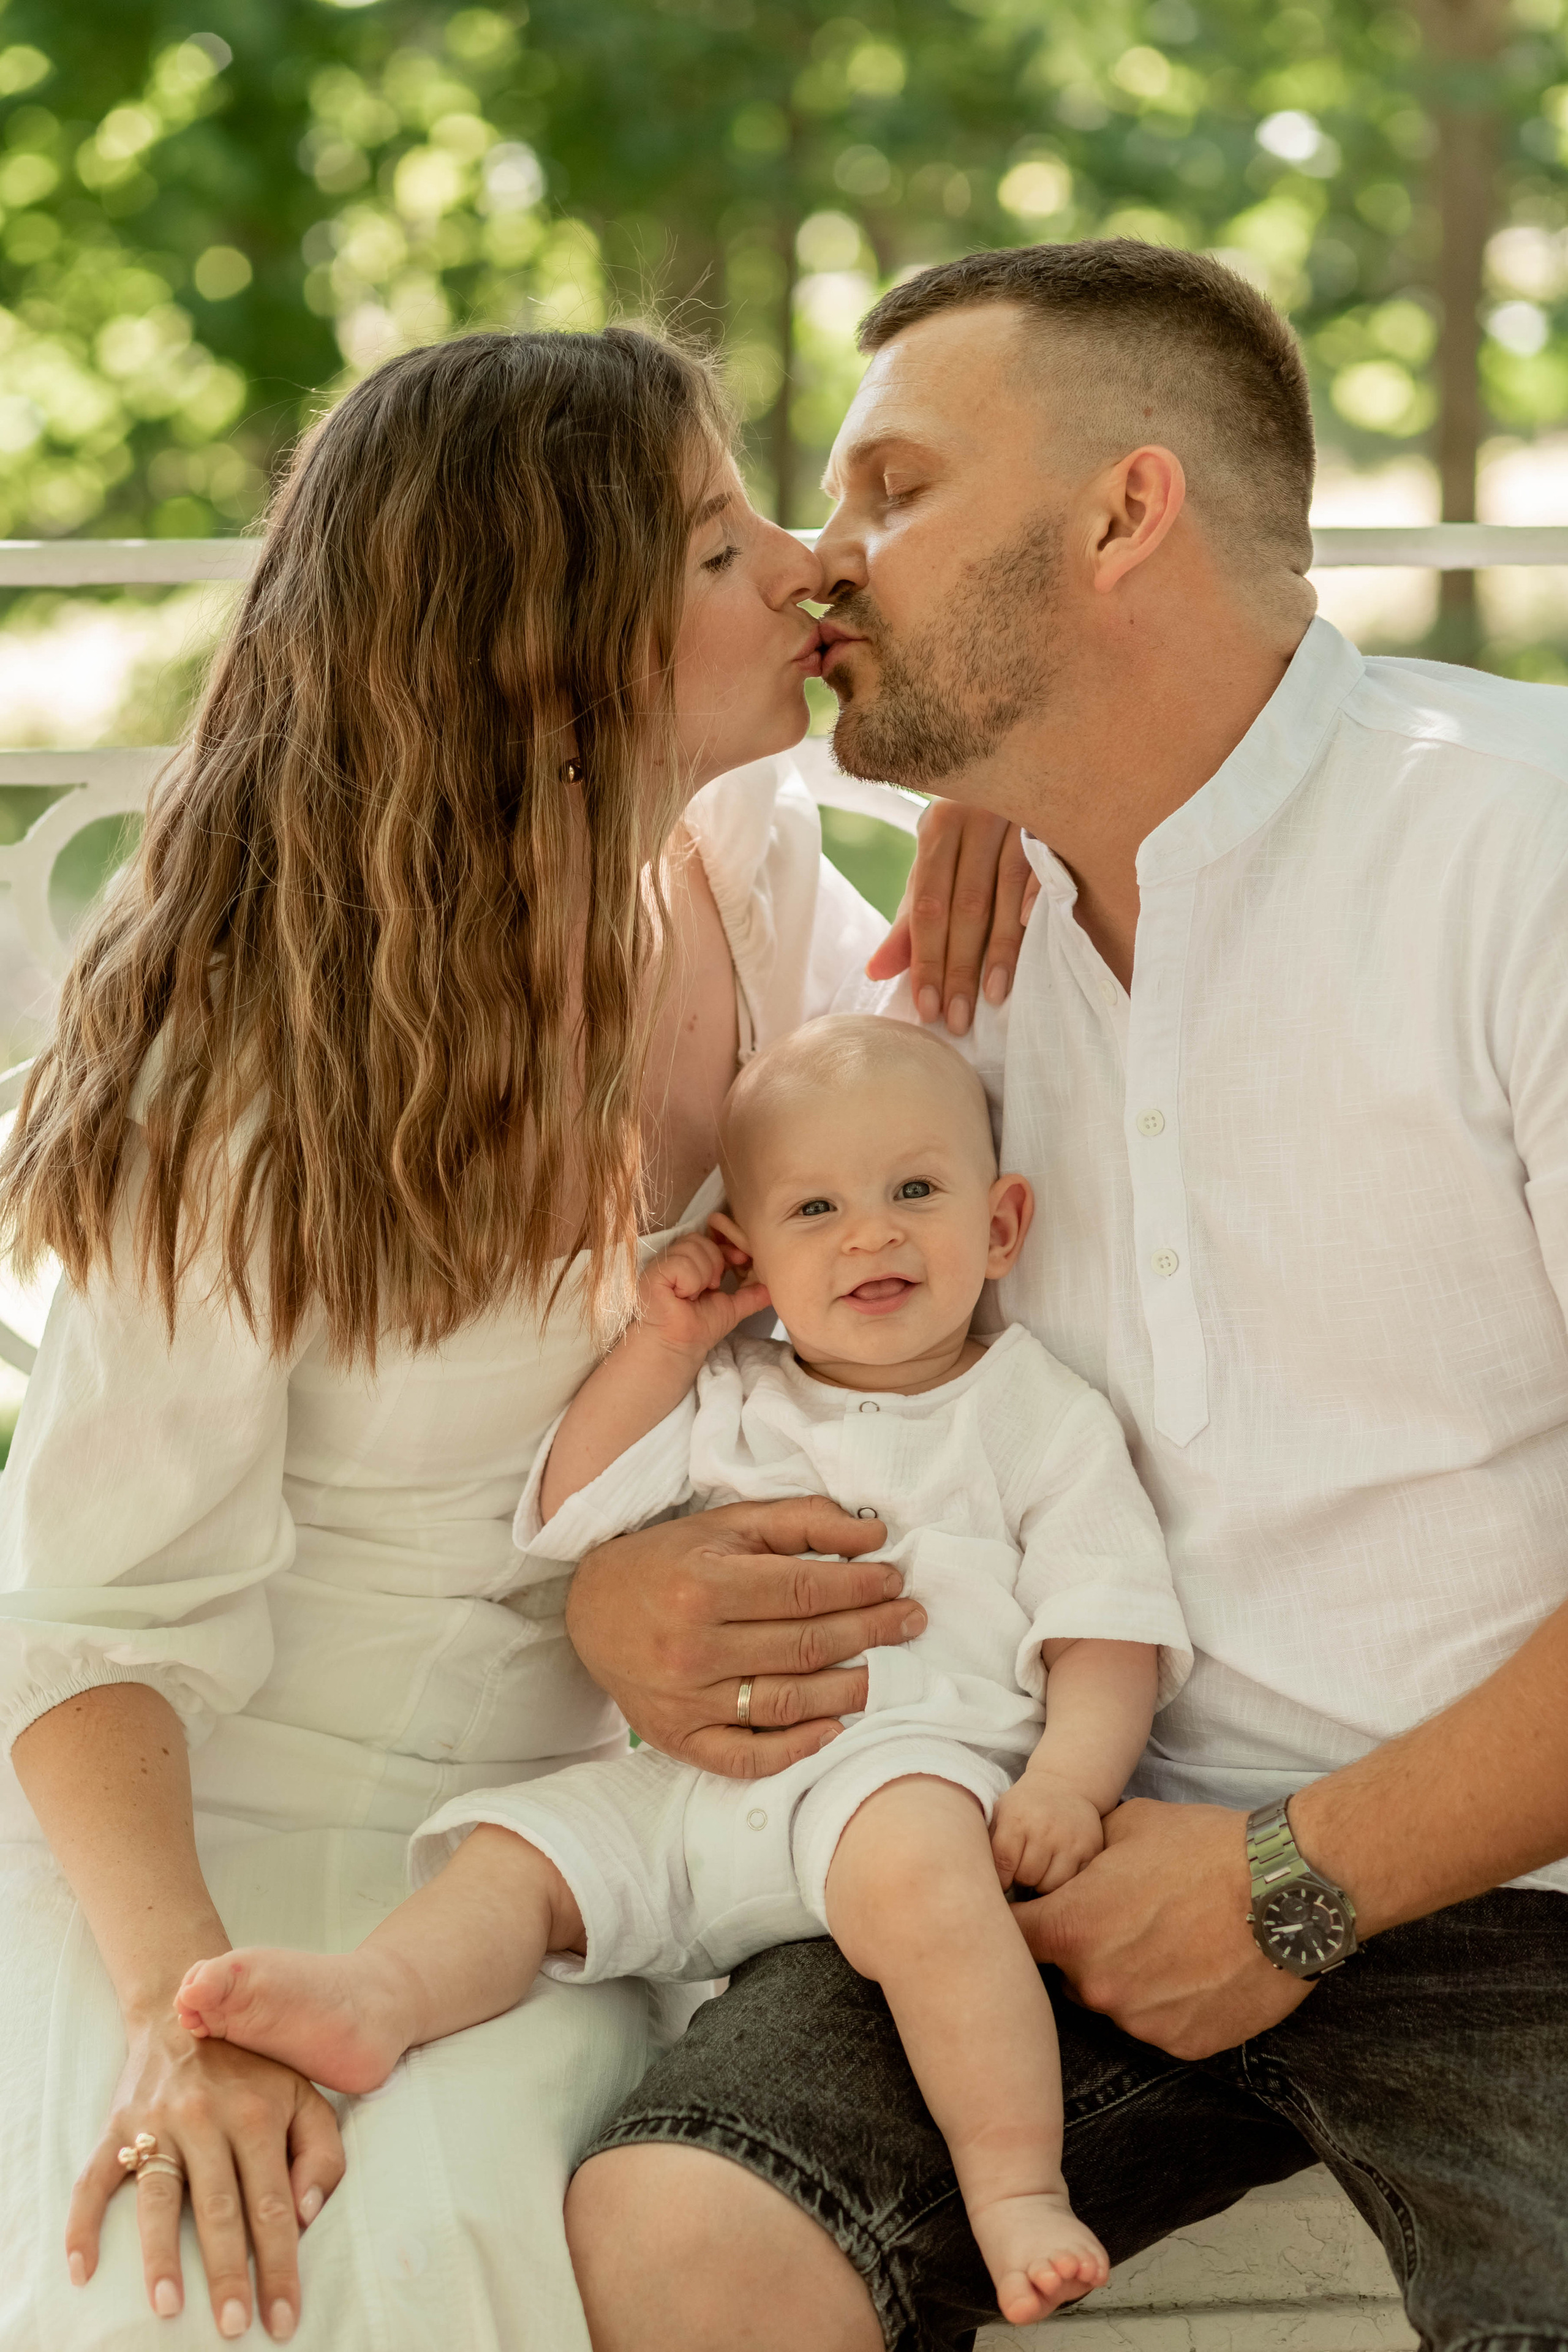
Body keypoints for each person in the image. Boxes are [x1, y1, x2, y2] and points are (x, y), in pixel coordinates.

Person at [558, 243, 1568, 2352]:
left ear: (1124, 515)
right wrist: (628, 1603)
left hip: (1514, 1893)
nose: (827, 556)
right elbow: (789, 1364)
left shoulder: (1519, 850)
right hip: (1037, 1858)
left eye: (898, 487)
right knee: (686, 2229)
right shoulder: (947, 977)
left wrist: (1298, 1876)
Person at [0, 326, 1023, 2350]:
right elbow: (89, 1636)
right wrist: (188, 2020)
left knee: (473, 2199)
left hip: (543, 1867)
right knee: (273, 2261)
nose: (807, 565)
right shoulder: (247, 1067)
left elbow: (928, 1174)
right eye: (717, 547)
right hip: (207, 1861)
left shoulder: (744, 871)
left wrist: (1004, 792)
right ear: (548, 656)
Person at [168, 1012, 1192, 2329]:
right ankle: (378, 1997)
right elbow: (573, 1506)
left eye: (913, 1192)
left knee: (933, 1896)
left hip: (899, 1779)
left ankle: (1013, 2188)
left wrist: (1066, 1783)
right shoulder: (731, 1391)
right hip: (698, 1794)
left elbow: (1104, 1626)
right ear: (748, 1251)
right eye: (815, 1209)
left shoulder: (1032, 1411)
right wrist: (663, 1341)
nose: (869, 1236)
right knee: (522, 1856)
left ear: (999, 1227)